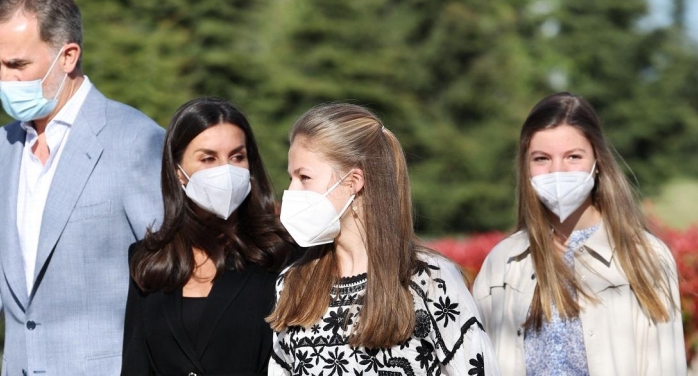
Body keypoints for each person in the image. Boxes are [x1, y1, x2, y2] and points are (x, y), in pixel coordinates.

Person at [0, 0, 165, 375]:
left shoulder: (136, 141)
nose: (5, 79)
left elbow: (174, 281)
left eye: (18, 65)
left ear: (67, 56)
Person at [268, 102, 499, 375]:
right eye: (291, 177)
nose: (291, 191)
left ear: (353, 182)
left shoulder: (429, 281)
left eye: (304, 177)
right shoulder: (294, 284)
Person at [473, 92, 686, 375]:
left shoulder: (646, 257)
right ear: (525, 167)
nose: (557, 170)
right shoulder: (503, 263)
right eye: (541, 158)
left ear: (597, 161)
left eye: (573, 156)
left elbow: (666, 365)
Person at [122, 97, 294, 375]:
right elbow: (136, 363)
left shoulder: (279, 253)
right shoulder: (148, 259)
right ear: (178, 171)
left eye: (237, 157)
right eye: (208, 158)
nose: (225, 170)